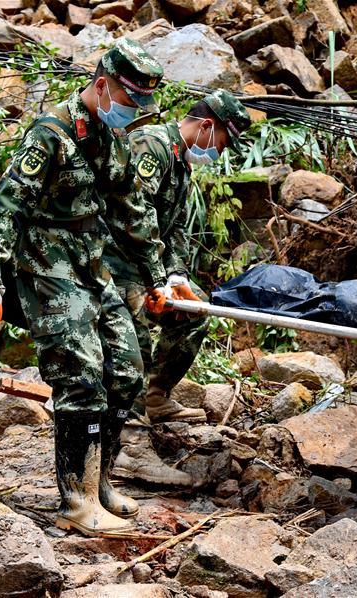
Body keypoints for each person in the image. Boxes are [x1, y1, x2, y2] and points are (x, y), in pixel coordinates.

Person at [0, 39, 164, 535]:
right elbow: (5, 208)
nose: (134, 114)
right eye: (130, 103)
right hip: (47, 269)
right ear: (103, 86)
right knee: (82, 377)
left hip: (93, 267)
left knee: (128, 372)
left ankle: (100, 482)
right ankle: (77, 501)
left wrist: (161, 278)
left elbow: (134, 213)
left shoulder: (116, 139)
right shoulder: (50, 135)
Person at [105, 90, 252, 486]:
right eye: (221, 143)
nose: (218, 153)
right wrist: (156, 279)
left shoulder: (182, 165)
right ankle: (132, 449)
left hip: (146, 269)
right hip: (115, 265)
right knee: (131, 344)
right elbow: (135, 217)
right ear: (207, 126)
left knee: (195, 312)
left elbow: (178, 232)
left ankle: (156, 396)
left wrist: (177, 278)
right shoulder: (151, 144)